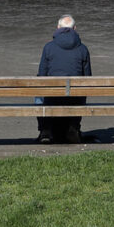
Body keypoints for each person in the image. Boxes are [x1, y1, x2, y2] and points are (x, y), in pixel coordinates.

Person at [36, 14, 91, 144]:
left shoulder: (48, 47)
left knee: (37, 93)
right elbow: (88, 78)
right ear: (75, 28)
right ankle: (73, 128)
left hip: (51, 96)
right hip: (75, 98)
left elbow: (41, 75)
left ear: (58, 27)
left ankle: (45, 130)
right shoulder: (83, 49)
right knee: (83, 89)